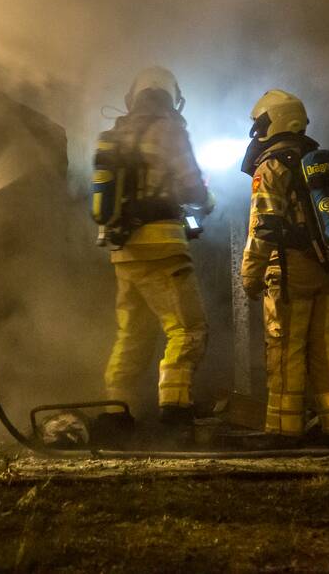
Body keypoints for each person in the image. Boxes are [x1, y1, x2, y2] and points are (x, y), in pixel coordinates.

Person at [239, 89, 329, 446]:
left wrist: (250, 274)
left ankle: (282, 430)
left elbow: (263, 227)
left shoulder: (271, 165)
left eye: (259, 123)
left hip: (291, 273)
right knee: (327, 350)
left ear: (271, 120)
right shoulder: (316, 159)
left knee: (286, 350)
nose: (257, 131)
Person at [101, 66, 212, 428]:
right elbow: (193, 189)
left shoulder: (113, 137)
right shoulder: (170, 131)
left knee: (132, 334)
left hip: (124, 252)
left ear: (132, 98)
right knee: (188, 328)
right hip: (163, 247)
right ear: (172, 98)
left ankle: (116, 412)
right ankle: (175, 409)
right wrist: (207, 199)